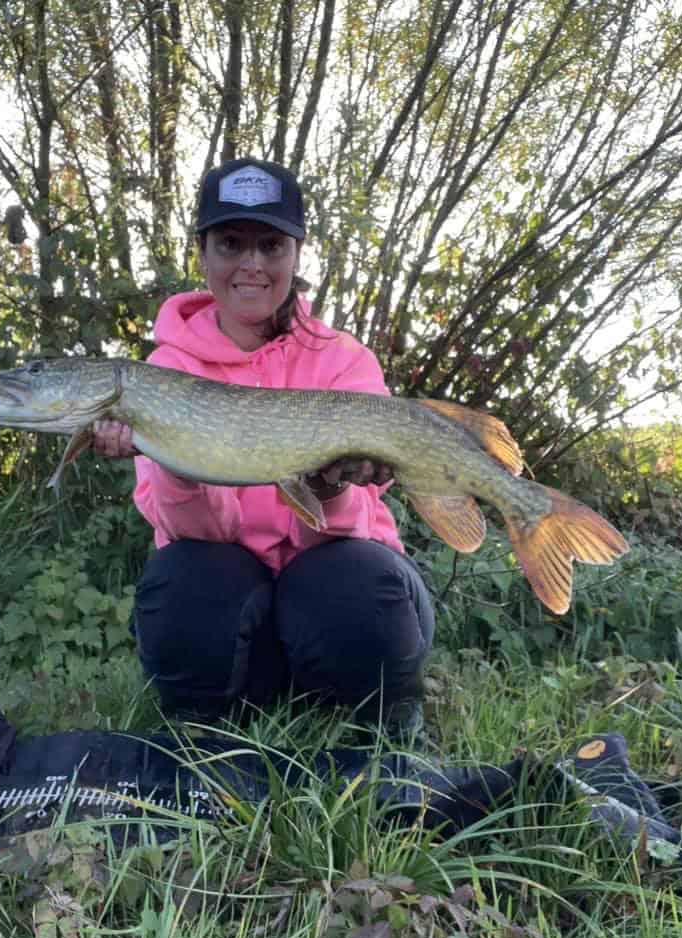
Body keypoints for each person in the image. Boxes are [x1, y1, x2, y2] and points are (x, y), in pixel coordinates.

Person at [93, 157, 434, 740]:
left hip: (339, 612)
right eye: (231, 243)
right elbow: (195, 535)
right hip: (245, 627)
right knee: (184, 576)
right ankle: (206, 722)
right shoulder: (163, 373)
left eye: (271, 245)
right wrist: (177, 461)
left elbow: (346, 530)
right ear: (203, 253)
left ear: (296, 255)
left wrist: (329, 485)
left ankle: (383, 717)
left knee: (349, 575)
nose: (251, 263)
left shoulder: (342, 359)